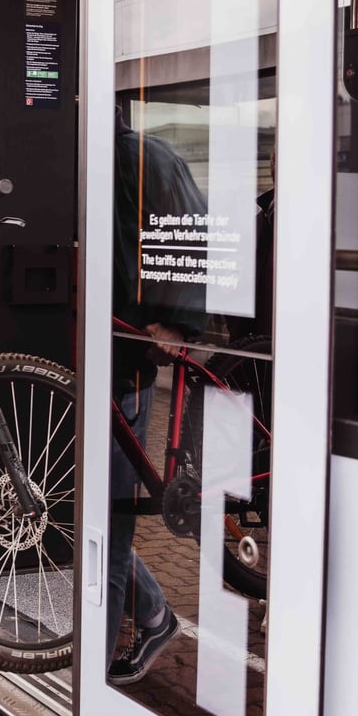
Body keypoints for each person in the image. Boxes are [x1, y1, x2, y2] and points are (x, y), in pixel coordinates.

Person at [105, 107, 207, 685]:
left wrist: (178, 324)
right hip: (98, 356)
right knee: (89, 508)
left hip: (129, 361)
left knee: (110, 511)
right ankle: (152, 613)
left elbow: (191, 235)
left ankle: (93, 668)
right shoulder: (91, 161)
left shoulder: (147, 157)